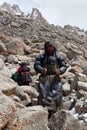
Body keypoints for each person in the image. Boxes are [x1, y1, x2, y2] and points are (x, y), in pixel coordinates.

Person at [34, 41, 67, 112]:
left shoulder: (58, 56)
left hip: (55, 78)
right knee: (44, 94)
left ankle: (56, 111)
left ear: (54, 48)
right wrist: (41, 69)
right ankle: (44, 111)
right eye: (48, 48)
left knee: (57, 95)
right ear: (46, 48)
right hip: (44, 78)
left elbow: (64, 66)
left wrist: (60, 71)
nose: (50, 50)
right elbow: (36, 65)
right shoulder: (41, 56)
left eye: (51, 48)